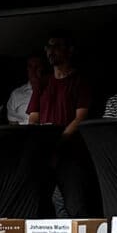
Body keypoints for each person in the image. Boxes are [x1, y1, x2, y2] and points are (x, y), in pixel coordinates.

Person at [30, 34, 94, 215]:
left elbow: (81, 117)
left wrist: (59, 140)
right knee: (41, 204)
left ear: (69, 50)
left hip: (71, 153)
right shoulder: (43, 83)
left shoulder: (80, 81)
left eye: (56, 46)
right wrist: (39, 141)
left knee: (75, 205)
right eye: (48, 47)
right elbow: (34, 116)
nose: (51, 52)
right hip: (44, 154)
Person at [3, 53, 47, 125]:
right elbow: (12, 123)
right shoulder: (16, 94)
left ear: (43, 68)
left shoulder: (51, 91)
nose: (33, 70)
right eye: (30, 66)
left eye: (37, 66)